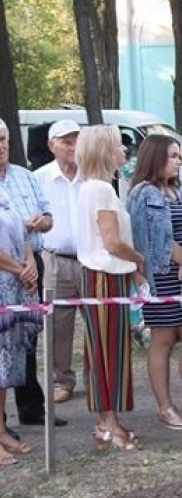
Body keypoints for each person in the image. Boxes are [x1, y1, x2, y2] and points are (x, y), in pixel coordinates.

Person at [76, 125, 147, 449]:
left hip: (105, 275)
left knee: (106, 349)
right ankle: (107, 421)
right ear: (106, 152)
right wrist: (138, 260)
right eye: (120, 146)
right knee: (107, 350)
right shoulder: (100, 190)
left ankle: (108, 419)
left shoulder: (96, 187)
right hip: (104, 276)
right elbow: (112, 241)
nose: (125, 152)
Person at [127, 135, 182, 430]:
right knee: (164, 340)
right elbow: (157, 241)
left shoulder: (178, 192)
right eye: (172, 156)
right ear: (155, 158)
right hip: (162, 277)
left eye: (178, 156)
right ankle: (165, 407)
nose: (178, 161)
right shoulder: (144, 193)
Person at [0, 118, 62, 427]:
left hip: (30, 261)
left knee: (28, 337)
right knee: (2, 342)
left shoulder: (25, 176)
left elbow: (49, 217)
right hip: (4, 267)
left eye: (2, 140)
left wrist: (42, 222)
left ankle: (31, 408)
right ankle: (1, 421)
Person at [34, 120, 83, 403]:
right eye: (66, 141)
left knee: (97, 320)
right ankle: (61, 380)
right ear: (52, 146)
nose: (72, 146)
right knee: (57, 325)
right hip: (55, 259)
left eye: (76, 139)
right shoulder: (39, 178)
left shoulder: (92, 174)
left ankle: (98, 377)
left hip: (89, 259)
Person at [0, 185, 41, 464]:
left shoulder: (4, 191)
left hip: (12, 287)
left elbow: (24, 233)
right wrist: (19, 268)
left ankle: (1, 430)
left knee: (5, 366)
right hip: (6, 281)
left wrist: (29, 264)